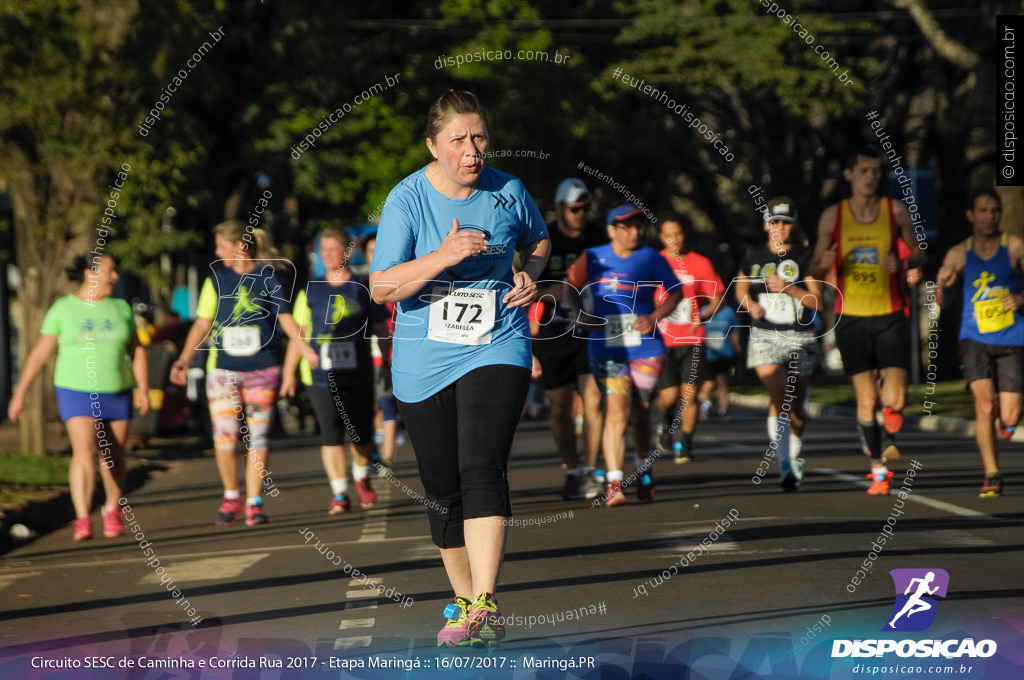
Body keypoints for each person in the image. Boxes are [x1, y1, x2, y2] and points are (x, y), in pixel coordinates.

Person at [368, 90, 549, 648]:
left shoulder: (509, 190)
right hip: (423, 361)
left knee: (481, 465)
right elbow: (380, 287)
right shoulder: (407, 200)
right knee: (442, 487)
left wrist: (531, 273)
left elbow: (538, 240)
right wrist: (444, 256)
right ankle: (466, 603)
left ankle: (486, 602)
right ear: (433, 145)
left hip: (497, 342)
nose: (472, 151)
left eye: (479, 138)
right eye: (458, 141)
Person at [169, 221, 317, 526]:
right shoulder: (218, 279)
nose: (216, 251)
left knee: (258, 438)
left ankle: (254, 501)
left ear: (239, 246)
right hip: (223, 370)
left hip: (263, 368)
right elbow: (202, 322)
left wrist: (304, 348)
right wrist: (184, 358)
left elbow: (287, 319)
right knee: (225, 438)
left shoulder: (269, 277)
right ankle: (231, 494)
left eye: (221, 245)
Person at [8, 254, 150, 540]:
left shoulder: (120, 308)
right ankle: (82, 517)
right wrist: (19, 393)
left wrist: (143, 388)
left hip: (116, 389)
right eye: (110, 271)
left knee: (113, 454)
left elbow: (137, 351)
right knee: (84, 449)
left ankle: (112, 507)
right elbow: (39, 353)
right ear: (90, 273)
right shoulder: (63, 309)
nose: (115, 277)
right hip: (75, 389)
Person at [811, 147, 924, 496]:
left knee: (897, 398)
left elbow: (919, 250)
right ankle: (878, 469)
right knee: (865, 401)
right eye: (863, 170)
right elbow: (813, 267)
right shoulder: (833, 216)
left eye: (875, 171)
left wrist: (905, 263)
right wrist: (825, 260)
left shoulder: (895, 211)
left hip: (890, 314)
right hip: (851, 319)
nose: (870, 177)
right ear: (849, 175)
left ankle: (890, 421)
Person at [569, 204, 682, 505]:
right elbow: (570, 286)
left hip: (646, 348)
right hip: (607, 348)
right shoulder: (592, 256)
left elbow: (677, 292)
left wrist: (655, 316)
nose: (634, 231)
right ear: (611, 230)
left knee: (641, 414)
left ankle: (643, 468)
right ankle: (615, 482)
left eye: (638, 226)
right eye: (626, 226)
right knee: (617, 409)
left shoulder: (651, 258)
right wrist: (581, 315)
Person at [281, 227, 389, 513]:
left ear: (347, 252)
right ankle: (340, 493)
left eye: (334, 249)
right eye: (323, 250)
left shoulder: (363, 286)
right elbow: (300, 332)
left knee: (361, 435)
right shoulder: (311, 289)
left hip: (358, 371)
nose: (328, 255)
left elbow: (380, 329)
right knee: (330, 433)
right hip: (319, 374)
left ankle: (361, 477)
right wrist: (289, 372)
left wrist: (388, 365)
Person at [936, 189, 1024, 497]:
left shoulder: (1014, 247)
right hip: (972, 338)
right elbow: (943, 301)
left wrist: (1020, 298)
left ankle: (1008, 424)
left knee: (1010, 415)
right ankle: (992, 473)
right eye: (983, 211)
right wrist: (941, 285)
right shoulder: (958, 254)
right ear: (971, 216)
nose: (990, 216)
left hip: (1012, 337)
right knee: (985, 405)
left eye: (995, 211)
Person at [735, 198, 823, 491]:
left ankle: (793, 457)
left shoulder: (804, 256)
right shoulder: (754, 256)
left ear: (793, 225)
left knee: (797, 409)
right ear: (765, 224)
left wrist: (789, 288)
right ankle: (785, 465)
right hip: (764, 335)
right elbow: (740, 289)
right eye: (774, 222)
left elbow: (817, 300)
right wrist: (750, 306)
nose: (780, 228)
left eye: (785, 222)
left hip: (800, 336)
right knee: (780, 395)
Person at [529, 177, 605, 501]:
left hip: (591, 331)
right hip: (553, 333)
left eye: (585, 208)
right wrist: (552, 291)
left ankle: (591, 470)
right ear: (560, 208)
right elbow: (525, 285)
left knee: (594, 401)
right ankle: (572, 469)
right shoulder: (543, 239)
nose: (581, 213)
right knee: (559, 408)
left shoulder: (599, 236)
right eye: (575, 208)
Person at [655, 216, 724, 463]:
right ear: (662, 238)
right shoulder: (656, 261)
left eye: (679, 233)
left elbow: (717, 295)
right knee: (668, 397)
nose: (675, 240)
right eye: (669, 235)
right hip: (662, 339)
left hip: (693, 338)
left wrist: (704, 316)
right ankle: (666, 420)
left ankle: (685, 442)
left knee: (690, 394)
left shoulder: (701, 263)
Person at [363, 233, 401, 476]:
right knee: (371, 408)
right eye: (370, 252)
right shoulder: (356, 284)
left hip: (389, 355)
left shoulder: (400, 280)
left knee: (386, 405)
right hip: (362, 357)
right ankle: (376, 453)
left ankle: (385, 461)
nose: (376, 256)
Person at [698, 301, 742, 422]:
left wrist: (737, 349)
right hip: (707, 353)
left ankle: (724, 410)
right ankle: (706, 405)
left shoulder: (728, 311)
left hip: (725, 352)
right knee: (708, 383)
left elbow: (734, 331)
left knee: (723, 381)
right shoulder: (703, 309)